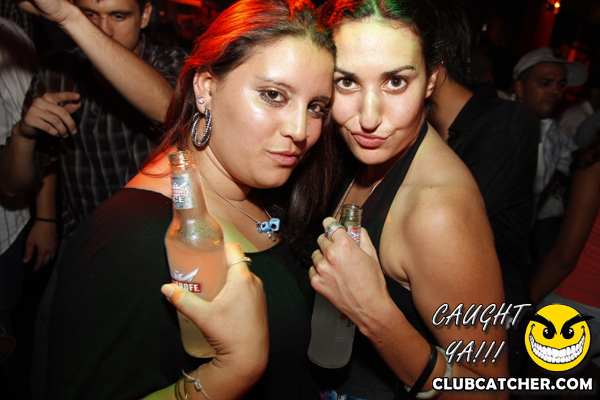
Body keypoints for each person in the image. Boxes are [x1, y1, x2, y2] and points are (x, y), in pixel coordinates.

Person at [45, 0, 336, 399]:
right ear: (205, 88)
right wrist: (232, 371)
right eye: (273, 95)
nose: (301, 130)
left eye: (316, 107)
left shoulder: (266, 191)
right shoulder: (132, 238)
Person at [309, 1, 508, 398]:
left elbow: (489, 390)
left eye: (396, 82)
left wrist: (377, 316)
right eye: (346, 81)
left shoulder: (437, 213)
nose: (369, 117)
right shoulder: (356, 154)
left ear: (431, 80)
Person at [427, 0, 539, 378]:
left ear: (432, 60)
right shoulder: (414, 131)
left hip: (490, 327)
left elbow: (441, 229)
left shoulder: (505, 125)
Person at [512, 47, 587, 268]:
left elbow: (581, 165)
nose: (555, 91)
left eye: (561, 85)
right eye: (545, 83)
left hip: (517, 249)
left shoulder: (552, 131)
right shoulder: (496, 123)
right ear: (520, 87)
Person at [529, 134, 600, 368]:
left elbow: (564, 257)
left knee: (532, 383)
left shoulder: (595, 163)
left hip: (573, 302)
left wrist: (524, 305)